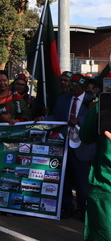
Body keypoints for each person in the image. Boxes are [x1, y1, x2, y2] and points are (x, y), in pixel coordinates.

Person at [43, 74, 94, 219]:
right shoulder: (62, 99)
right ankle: (67, 207)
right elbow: (56, 118)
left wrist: (80, 120)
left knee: (81, 181)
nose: (71, 87)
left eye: (75, 85)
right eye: (70, 84)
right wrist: (43, 119)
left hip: (82, 148)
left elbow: (95, 118)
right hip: (63, 146)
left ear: (83, 87)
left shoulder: (92, 100)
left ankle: (83, 210)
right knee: (64, 179)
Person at [79, 96, 111, 241]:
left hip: (105, 187)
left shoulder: (105, 104)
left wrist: (93, 110)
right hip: (104, 187)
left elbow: (85, 136)